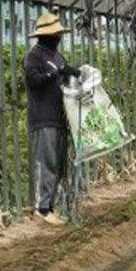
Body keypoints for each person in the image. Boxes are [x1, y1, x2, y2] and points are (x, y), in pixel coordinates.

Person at [24, 12, 80, 225]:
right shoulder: (34, 56)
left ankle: (51, 206)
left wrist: (72, 75)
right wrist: (55, 74)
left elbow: (64, 79)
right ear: (45, 36)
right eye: (55, 34)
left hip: (60, 118)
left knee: (57, 164)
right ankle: (42, 208)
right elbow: (33, 80)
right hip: (43, 118)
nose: (58, 38)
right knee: (45, 162)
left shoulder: (57, 57)